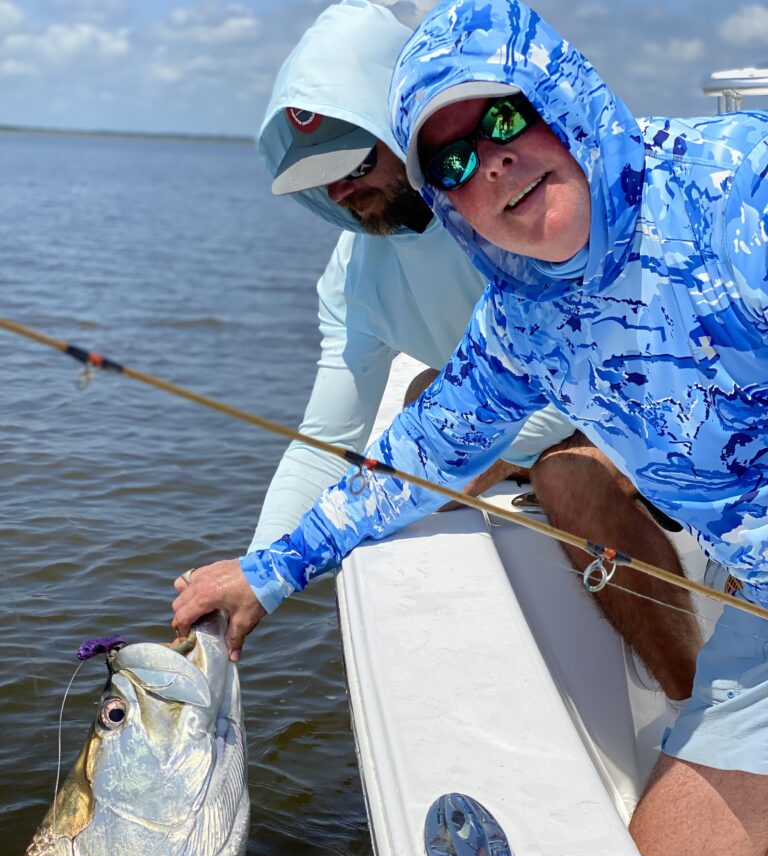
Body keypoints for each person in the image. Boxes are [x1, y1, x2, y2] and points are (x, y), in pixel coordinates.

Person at [171, 0, 768, 856]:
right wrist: (266, 573)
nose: (490, 162)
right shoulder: (519, 319)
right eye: (451, 160)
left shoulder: (738, 191)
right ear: (447, 197)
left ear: (563, 98)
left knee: (571, 476)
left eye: (501, 118)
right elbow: (415, 455)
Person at [252, 0, 701, 698]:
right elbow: (322, 443)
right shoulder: (350, 277)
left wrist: (486, 460)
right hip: (503, 413)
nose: (340, 190)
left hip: (638, 391)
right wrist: (257, 576)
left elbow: (604, 358)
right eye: (318, 178)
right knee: (421, 398)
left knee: (566, 477)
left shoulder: (533, 212)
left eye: (353, 162)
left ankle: (691, 695)